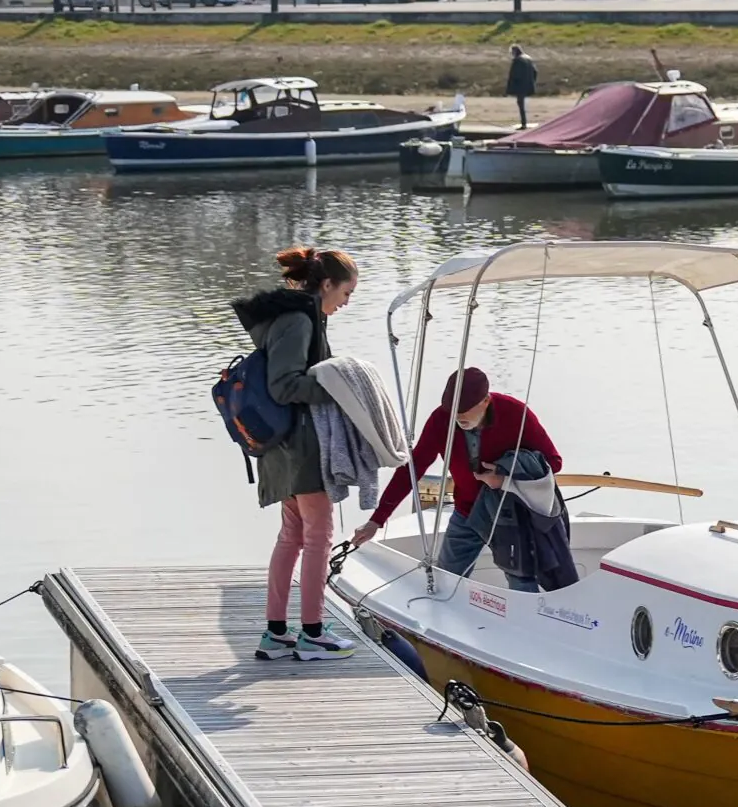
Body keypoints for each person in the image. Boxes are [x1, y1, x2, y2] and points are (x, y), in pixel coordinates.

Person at [231, 246, 363, 662]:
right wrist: (340, 388)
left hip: (283, 446)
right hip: (299, 447)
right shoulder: (299, 320)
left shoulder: (297, 317)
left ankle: (276, 634)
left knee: (292, 536)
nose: (346, 302)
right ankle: (312, 634)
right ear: (326, 284)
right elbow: (284, 385)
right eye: (347, 292)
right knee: (318, 537)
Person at [349, 367, 562, 582]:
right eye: (454, 413)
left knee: (522, 581)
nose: (458, 417)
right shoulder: (442, 419)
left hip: (510, 513)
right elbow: (412, 470)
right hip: (467, 511)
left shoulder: (515, 413)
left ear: (486, 401)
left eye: (465, 412)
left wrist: (504, 476)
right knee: (446, 580)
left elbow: (553, 462)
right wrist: (377, 520)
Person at [504, 44, 537, 129]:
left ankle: (523, 123)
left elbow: (515, 75)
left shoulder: (517, 60)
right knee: (522, 104)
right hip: (528, 85)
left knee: (521, 104)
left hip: (520, 86)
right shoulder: (529, 58)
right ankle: (524, 123)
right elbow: (535, 72)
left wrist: (510, 88)